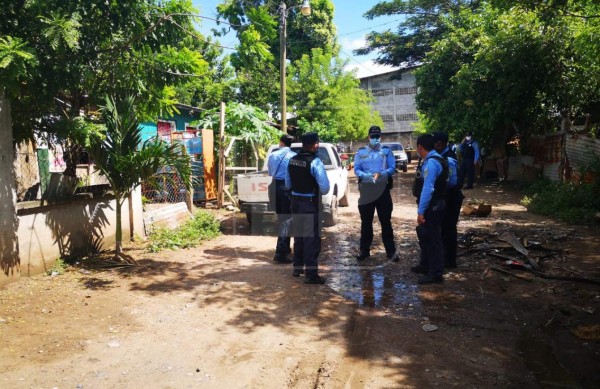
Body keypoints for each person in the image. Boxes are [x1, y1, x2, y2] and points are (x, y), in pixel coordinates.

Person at [285, 132, 330, 284]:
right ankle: (311, 275)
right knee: (311, 239)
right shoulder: (315, 162)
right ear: (315, 144)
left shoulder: (292, 160)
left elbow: (287, 184)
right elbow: (325, 188)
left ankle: (297, 268)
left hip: (295, 203)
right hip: (310, 204)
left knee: (299, 236)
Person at [353, 125, 398, 262]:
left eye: (377, 136)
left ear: (381, 137)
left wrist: (383, 174)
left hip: (382, 190)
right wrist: (365, 176)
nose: (375, 139)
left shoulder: (386, 151)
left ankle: (391, 252)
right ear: (368, 137)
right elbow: (356, 169)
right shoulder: (360, 152)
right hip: (367, 190)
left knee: (385, 221)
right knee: (366, 222)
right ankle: (364, 251)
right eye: (373, 136)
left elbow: (392, 168)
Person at [411, 134, 448, 284]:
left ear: (420, 147)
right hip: (434, 204)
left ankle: (435, 273)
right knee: (425, 237)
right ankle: (425, 265)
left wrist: (421, 211)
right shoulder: (434, 159)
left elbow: (428, 188)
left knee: (433, 239)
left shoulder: (432, 163)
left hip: (432, 206)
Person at [433, 132, 464, 269]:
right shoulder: (441, 156)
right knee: (444, 229)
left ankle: (450, 261)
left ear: (442, 143)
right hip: (447, 197)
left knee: (449, 229)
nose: (435, 145)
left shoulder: (449, 158)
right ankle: (446, 258)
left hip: (451, 198)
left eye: (437, 142)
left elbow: (452, 182)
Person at [267, 134, 296, 263]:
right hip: (286, 188)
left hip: (274, 187)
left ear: (281, 142)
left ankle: (284, 249)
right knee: (287, 219)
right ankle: (280, 253)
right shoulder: (293, 156)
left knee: (282, 218)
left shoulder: (273, 155)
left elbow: (270, 172)